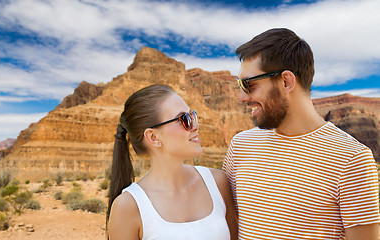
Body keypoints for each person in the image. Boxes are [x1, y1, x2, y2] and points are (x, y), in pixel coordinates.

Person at [223, 28, 380, 240]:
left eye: (248, 85)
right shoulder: (240, 146)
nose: (241, 97)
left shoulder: (352, 159)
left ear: (286, 81)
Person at [107, 84, 238, 240]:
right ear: (153, 137)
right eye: (184, 119)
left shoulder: (218, 182)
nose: (196, 126)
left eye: (192, 115)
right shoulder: (128, 206)